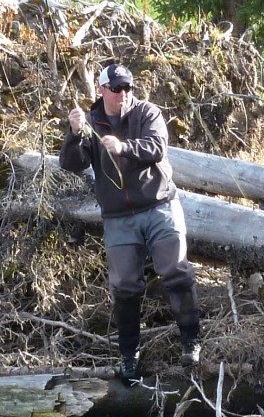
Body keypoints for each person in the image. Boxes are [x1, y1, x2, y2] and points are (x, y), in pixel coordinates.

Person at [59, 61, 203, 383]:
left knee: (175, 270)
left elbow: (157, 148)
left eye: (128, 87)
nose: (123, 94)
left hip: (159, 206)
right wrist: (74, 134)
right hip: (119, 218)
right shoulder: (91, 122)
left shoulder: (147, 113)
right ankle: (129, 355)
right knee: (124, 286)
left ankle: (191, 341)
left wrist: (123, 147)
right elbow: (71, 164)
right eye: (116, 88)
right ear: (102, 90)